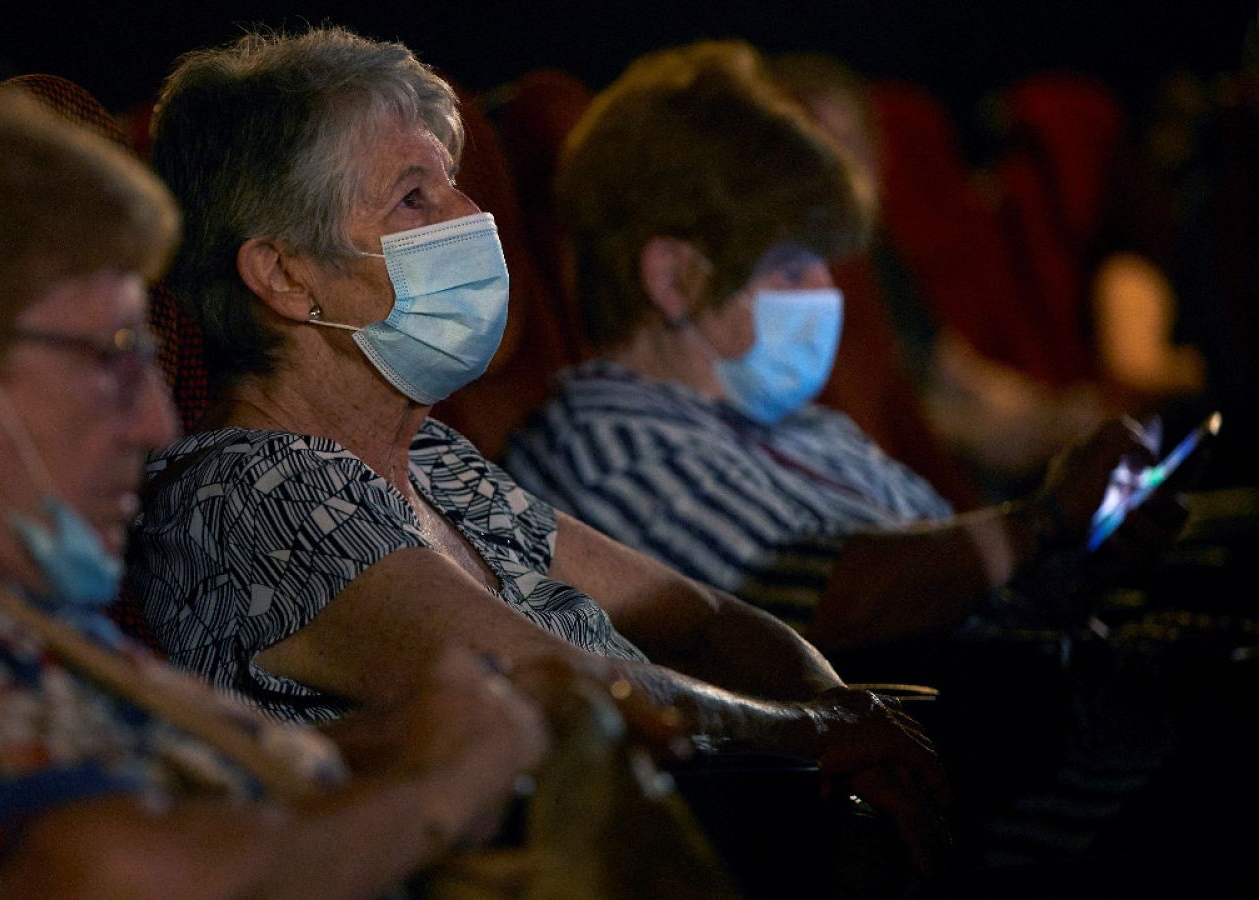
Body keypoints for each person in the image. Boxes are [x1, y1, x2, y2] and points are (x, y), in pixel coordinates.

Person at [0, 80, 549, 899]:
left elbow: (141, 793)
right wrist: (440, 788)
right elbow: (99, 870)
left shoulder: (6, 609)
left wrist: (388, 743)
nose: (157, 424)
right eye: (112, 360)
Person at [128, 25, 949, 869]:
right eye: (414, 199)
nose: (473, 215)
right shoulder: (248, 494)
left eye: (453, 185)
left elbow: (699, 618)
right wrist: (818, 733)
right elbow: (567, 689)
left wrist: (843, 709)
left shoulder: (438, 462)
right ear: (285, 276)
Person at [501, 39, 1184, 653]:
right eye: (793, 266)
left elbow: (982, 591)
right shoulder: (605, 446)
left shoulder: (818, 434)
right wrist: (1042, 521)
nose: (827, 293)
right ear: (674, 278)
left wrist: (1085, 555)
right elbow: (816, 605)